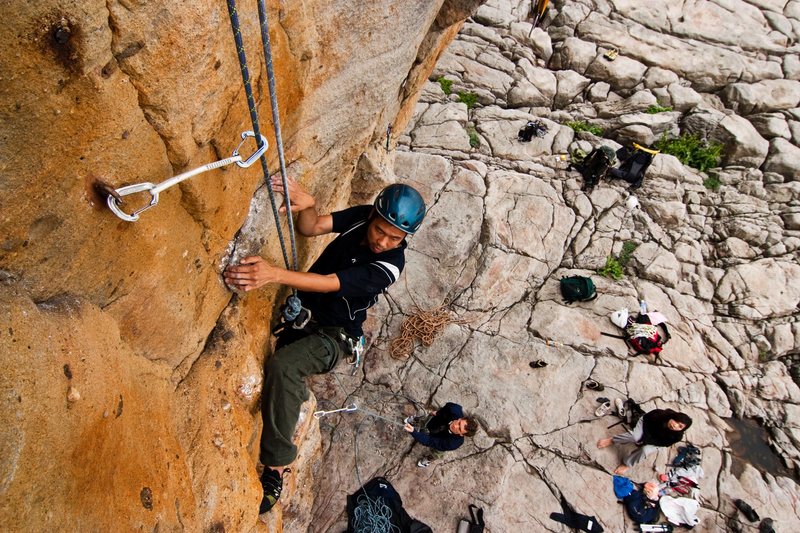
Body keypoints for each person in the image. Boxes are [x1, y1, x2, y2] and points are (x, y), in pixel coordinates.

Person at [224, 177, 426, 513]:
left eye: (396, 237)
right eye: (380, 230)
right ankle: (294, 401)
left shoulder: (390, 266)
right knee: (281, 369)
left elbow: (329, 283)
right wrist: (309, 203)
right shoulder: (363, 217)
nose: (383, 240)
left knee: (284, 366)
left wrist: (273, 275)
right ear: (374, 216)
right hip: (305, 317)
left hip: (334, 336)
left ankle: (276, 467)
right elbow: (312, 228)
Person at [597, 408, 692, 475]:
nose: (675, 426)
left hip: (656, 440)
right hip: (645, 425)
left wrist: (647, 441)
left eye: (680, 427)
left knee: (645, 451)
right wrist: (643, 438)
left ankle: (627, 464)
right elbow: (646, 420)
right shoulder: (661, 414)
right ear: (673, 417)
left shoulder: (677, 436)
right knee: (635, 437)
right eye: (676, 422)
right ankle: (612, 440)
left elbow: (664, 443)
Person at [403, 402, 478, 467]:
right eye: (459, 423)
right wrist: (438, 413)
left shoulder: (453, 443)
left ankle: (429, 459)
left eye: (459, 429)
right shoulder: (454, 409)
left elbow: (429, 441)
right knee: (423, 414)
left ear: (462, 434)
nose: (455, 426)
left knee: (437, 453)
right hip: (433, 422)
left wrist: (414, 432)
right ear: (460, 419)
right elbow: (448, 406)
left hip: (439, 439)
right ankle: (415, 419)